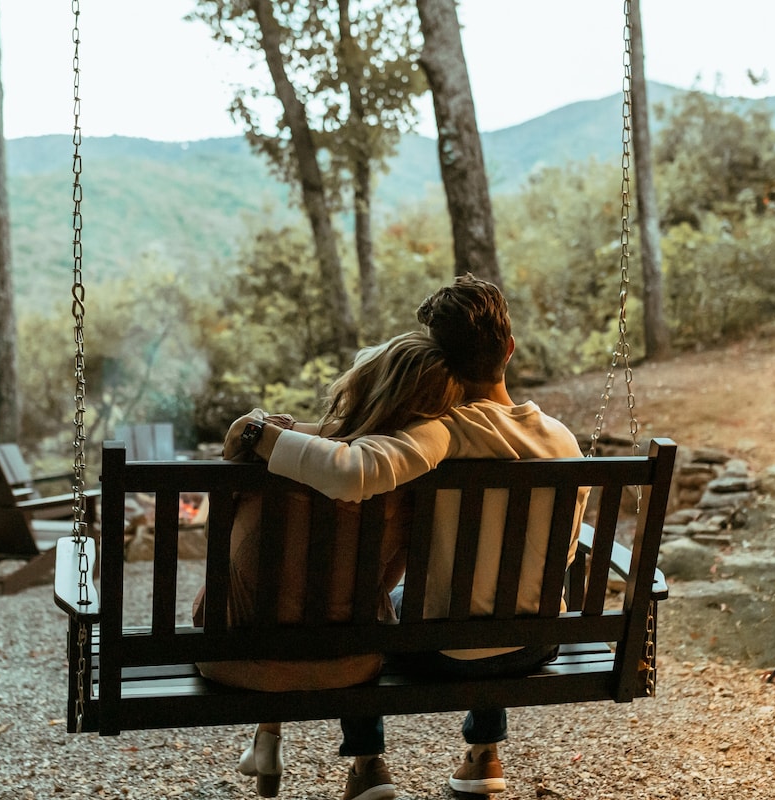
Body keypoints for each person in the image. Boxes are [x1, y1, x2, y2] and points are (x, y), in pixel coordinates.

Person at [224, 274, 588, 800]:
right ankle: (484, 754)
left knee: (369, 608)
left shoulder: (446, 431)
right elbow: (565, 553)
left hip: (445, 649)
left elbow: (350, 472)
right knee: (503, 596)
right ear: (508, 348)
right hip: (534, 644)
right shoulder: (563, 440)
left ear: (437, 356)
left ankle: (369, 768)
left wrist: (259, 434)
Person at [200, 331, 465, 798]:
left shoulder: (266, 455)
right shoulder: (408, 483)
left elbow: (222, 556)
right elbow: (382, 586)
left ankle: (268, 738)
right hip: (347, 665)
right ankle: (316, 751)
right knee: (348, 601)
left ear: (370, 381)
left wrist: (255, 429)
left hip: (237, 658)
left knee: (261, 591)